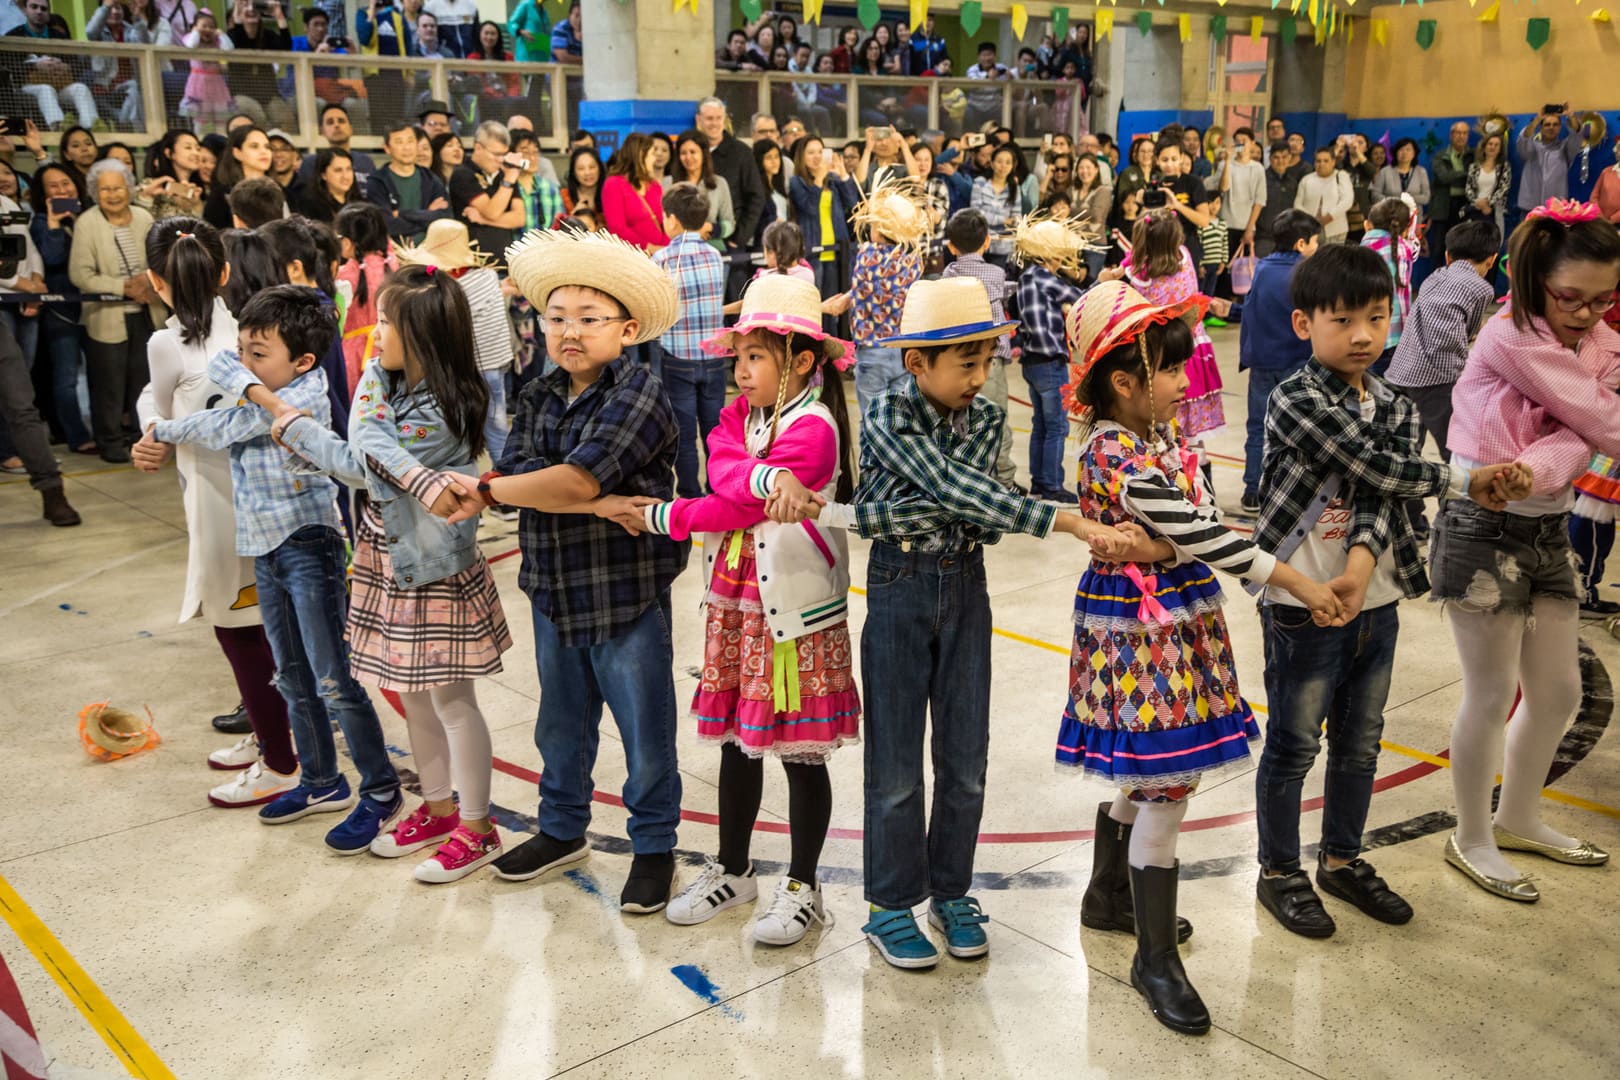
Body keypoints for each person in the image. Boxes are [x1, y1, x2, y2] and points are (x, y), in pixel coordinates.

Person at [772, 277, 1132, 971]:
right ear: (917, 364)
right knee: (898, 766)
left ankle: (950, 892)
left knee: (966, 761)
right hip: (900, 589)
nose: (980, 376)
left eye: (988, 361)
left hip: (968, 585)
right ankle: (888, 906)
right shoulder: (885, 413)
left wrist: (940, 506)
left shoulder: (991, 418)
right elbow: (958, 492)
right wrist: (1058, 518)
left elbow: (982, 507)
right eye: (965, 363)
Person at [1061, 279, 1342, 1035]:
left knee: (1149, 776)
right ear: (1125, 382)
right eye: (1174, 371)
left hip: (1173, 626)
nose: (1189, 383)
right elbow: (1215, 540)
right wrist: (1302, 585)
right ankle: (1154, 960)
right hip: (1143, 641)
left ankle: (1109, 898)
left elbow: (1197, 524)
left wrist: (1157, 543)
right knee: (1164, 785)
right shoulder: (1113, 451)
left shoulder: (1157, 439)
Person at [1251, 243, 1529, 940]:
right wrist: (1465, 478)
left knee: (1361, 745)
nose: (1364, 335)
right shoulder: (1295, 398)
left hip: (1371, 602)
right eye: (1342, 320)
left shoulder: (1396, 404)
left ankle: (1341, 860)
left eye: (1377, 317)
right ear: (1303, 325)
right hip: (1301, 606)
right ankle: (1280, 872)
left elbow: (1381, 491)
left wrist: (1358, 567)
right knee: (1292, 746)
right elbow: (1369, 462)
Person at [250, 266, 510, 882]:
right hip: (384, 557)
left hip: (434, 567)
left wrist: (299, 430)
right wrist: (312, 433)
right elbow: (365, 445)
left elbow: (365, 464)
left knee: (453, 702)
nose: (375, 332)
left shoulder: (452, 403)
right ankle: (439, 808)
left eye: (389, 322)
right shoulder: (380, 378)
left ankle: (478, 827)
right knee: (413, 698)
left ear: (423, 334)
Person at [631, 273, 859, 944]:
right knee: (739, 742)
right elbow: (722, 470)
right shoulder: (742, 417)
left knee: (799, 752)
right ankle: (734, 869)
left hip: (791, 613)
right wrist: (764, 478)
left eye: (754, 356)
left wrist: (659, 516)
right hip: (738, 604)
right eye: (739, 356)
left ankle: (804, 885)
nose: (740, 371)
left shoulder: (814, 430)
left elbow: (732, 503)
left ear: (801, 362)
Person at [466, 230, 688, 913]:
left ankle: (654, 847)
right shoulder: (536, 396)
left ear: (625, 329)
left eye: (588, 320)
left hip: (625, 592)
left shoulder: (641, 393)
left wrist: (496, 492)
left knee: (645, 735)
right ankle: (562, 830)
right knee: (559, 727)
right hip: (555, 587)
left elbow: (563, 482)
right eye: (556, 317)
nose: (568, 332)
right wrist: (587, 499)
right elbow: (535, 476)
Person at [143, 285, 406, 850]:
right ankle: (320, 782)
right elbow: (219, 385)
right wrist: (237, 384)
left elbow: (224, 426)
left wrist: (173, 423)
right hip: (263, 548)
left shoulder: (304, 396)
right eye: (243, 350)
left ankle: (381, 790)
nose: (243, 362)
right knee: (290, 674)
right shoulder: (260, 390)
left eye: (259, 353)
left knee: (334, 678)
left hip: (307, 545)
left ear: (304, 361)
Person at [1434, 201, 1620, 902]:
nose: (1588, 313)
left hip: (1544, 527)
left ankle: (1516, 818)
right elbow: (1603, 421)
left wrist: (1534, 472)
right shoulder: (1510, 336)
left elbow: (1580, 434)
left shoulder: (1601, 344)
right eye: (1572, 298)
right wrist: (1555, 459)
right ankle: (1471, 835)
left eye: (1606, 299)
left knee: (1559, 692)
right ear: (1536, 276)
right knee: (1489, 694)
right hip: (1481, 530)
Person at [130, 219, 294, 803]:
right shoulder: (253, 332)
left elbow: (167, 407)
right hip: (271, 495)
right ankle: (270, 729)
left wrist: (152, 431)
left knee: (240, 632)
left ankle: (280, 761)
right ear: (225, 272)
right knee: (268, 626)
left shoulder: (164, 343)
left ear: (154, 281)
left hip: (218, 500)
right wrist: (154, 424)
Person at [1107, 210, 1232, 450]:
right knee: (1192, 433)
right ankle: (1199, 477)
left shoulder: (1138, 274)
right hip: (1191, 346)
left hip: (1159, 355)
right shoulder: (1184, 257)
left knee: (1163, 422)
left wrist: (1115, 272)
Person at [393, 219, 513, 464]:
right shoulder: (488, 276)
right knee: (496, 422)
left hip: (469, 368)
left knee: (468, 425)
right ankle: (506, 477)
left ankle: (488, 475)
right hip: (496, 362)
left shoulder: (450, 289)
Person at [68, 159, 163, 464]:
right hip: (107, 316)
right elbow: (80, 275)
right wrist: (124, 287)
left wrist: (149, 283)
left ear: (129, 188)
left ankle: (142, 439)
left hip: (148, 313)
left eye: (117, 187)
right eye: (105, 189)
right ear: (95, 191)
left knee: (143, 382)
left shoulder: (143, 216)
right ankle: (109, 441)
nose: (112, 194)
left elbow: (158, 259)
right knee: (108, 384)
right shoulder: (87, 222)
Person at [1384, 219, 1501, 464]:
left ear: (1447, 256)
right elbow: (1470, 331)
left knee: (1404, 446)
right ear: (1492, 260)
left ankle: (1407, 501)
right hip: (1439, 378)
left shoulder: (1434, 277)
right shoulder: (1482, 289)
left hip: (1401, 370)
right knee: (1454, 448)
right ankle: (1457, 498)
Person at [1234, 209, 1322, 512]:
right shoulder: (1307, 273)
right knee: (1295, 429)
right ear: (1300, 243)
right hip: (1294, 362)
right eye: (1314, 241)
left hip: (1261, 362)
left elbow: (1250, 311)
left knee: (1257, 427)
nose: (1317, 247)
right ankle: (1290, 490)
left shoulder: (1263, 268)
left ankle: (1251, 490)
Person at [650, 183, 726, 498]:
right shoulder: (715, 255)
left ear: (672, 219)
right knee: (713, 431)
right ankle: (717, 488)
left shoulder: (662, 259)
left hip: (677, 357)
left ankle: (691, 492)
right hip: (715, 357)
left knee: (682, 432)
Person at [941, 209, 1018, 490]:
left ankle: (967, 475)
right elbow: (1005, 291)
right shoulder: (996, 273)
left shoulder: (949, 274)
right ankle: (1003, 479)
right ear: (987, 242)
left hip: (958, 360)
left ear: (951, 246)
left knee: (961, 418)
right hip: (991, 360)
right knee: (996, 416)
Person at [1013, 217, 1087, 502]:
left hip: (1031, 361)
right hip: (1049, 361)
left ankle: (1039, 481)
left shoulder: (1026, 278)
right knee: (1056, 424)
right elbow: (1081, 297)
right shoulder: (1047, 280)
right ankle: (1053, 484)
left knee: (1041, 423)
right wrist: (1100, 282)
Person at [843, 182, 927, 419]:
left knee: (872, 424)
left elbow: (864, 286)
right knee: (899, 422)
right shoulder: (913, 261)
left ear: (879, 229)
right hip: (902, 351)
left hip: (872, 351)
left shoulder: (866, 254)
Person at [27, 162, 94, 457]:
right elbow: (51, 258)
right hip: (59, 311)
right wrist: (55, 223)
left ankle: (108, 428)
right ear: (42, 194)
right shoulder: (40, 222)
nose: (61, 190)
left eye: (65, 183)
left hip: (92, 307)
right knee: (66, 377)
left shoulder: (89, 217)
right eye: (53, 186)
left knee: (98, 374)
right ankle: (75, 434)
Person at [7, 0, 100, 130]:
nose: (39, 11)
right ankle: (59, 128)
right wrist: (35, 66)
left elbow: (77, 64)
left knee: (80, 88)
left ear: (49, 13)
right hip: (26, 91)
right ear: (25, 10)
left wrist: (66, 67)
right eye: (34, 7)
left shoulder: (59, 37)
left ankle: (92, 128)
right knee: (45, 89)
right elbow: (8, 68)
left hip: (59, 87)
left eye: (43, 9)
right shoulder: (13, 35)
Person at [333, 201, 395, 394]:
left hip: (353, 355)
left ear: (346, 241)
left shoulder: (344, 276)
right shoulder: (392, 263)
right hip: (389, 345)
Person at [447, 120, 522, 260]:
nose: (501, 160)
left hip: (505, 258)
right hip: (473, 261)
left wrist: (483, 220)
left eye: (504, 154)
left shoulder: (505, 173)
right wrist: (508, 181)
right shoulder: (462, 174)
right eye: (496, 154)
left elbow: (519, 218)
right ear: (478, 148)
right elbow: (492, 211)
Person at [366, 120, 451, 242]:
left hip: (430, 251)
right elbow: (387, 225)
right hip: (394, 253)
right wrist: (428, 214)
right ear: (387, 148)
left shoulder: (430, 178)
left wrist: (403, 214)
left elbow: (445, 216)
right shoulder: (377, 182)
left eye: (410, 141)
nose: (406, 148)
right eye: (399, 142)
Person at [1359, 198, 1414, 375]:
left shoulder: (1363, 251)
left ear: (1367, 225)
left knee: (1373, 390)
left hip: (1372, 336)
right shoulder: (1404, 248)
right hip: (1400, 335)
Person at [224, 0, 293, 131]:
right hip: (241, 95)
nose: (251, 9)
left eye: (255, 6)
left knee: (285, 118)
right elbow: (236, 40)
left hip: (268, 95)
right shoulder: (231, 37)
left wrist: (279, 15)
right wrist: (238, 10)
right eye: (246, 6)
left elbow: (286, 47)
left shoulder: (268, 35)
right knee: (257, 116)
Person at [1150, 138, 1213, 268]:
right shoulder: (1154, 185)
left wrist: (1178, 206)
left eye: (1174, 159)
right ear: (1157, 160)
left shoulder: (1193, 183)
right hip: (1159, 249)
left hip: (1187, 247)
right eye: (1164, 160)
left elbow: (1204, 221)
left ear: (1181, 158)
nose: (1169, 164)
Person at [600, 131, 668, 253]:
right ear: (640, 156)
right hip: (633, 257)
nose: (655, 158)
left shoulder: (654, 185)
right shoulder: (613, 184)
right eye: (652, 154)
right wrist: (648, 248)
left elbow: (664, 223)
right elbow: (617, 229)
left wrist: (664, 249)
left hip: (661, 255)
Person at [669, 129, 734, 251]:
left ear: (703, 154)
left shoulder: (719, 183)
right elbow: (665, 222)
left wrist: (708, 227)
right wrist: (693, 232)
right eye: (683, 153)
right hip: (678, 251)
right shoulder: (668, 183)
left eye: (693, 152)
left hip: (713, 249)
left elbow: (730, 224)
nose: (688, 157)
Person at [1516, 105, 1586, 217]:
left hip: (1556, 210)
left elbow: (1577, 135)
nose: (1551, 127)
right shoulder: (1531, 148)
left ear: (1560, 127)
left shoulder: (1566, 149)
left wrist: (1570, 117)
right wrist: (1537, 119)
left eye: (1555, 124)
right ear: (1541, 128)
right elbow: (1523, 139)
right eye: (1547, 124)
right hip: (1529, 209)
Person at [202, 125, 273, 229]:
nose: (263, 151)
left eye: (267, 147)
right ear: (237, 153)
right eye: (254, 146)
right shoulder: (221, 195)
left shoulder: (283, 192)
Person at [295, 105, 378, 193]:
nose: (336, 125)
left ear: (351, 128)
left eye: (341, 121)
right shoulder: (311, 163)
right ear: (322, 131)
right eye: (330, 122)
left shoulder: (366, 162)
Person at [969, 144, 1023, 270]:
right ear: (992, 163)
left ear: (1013, 166)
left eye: (1008, 162)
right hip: (980, 242)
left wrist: (1015, 221)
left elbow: (1017, 215)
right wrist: (1003, 220)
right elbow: (976, 213)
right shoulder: (980, 183)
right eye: (999, 161)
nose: (1003, 166)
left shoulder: (1015, 188)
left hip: (1003, 246)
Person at [1430, 121, 1474, 261]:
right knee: (1439, 249)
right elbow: (1444, 177)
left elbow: (1477, 177)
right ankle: (1437, 281)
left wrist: (1457, 175)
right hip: (1443, 206)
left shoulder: (1474, 155)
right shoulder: (1440, 156)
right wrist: (1467, 173)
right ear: (1451, 135)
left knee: (1463, 248)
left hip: (1465, 205)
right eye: (1458, 133)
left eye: (1464, 133)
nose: (1461, 136)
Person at [1293, 146, 1354, 246]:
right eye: (1318, 161)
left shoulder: (1342, 176)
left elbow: (1347, 201)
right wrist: (1311, 220)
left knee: (1334, 261)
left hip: (1336, 230)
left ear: (1333, 162)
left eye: (1326, 161)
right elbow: (1297, 204)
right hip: (1310, 231)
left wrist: (1329, 217)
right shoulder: (1306, 179)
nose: (1321, 164)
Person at [143, 130, 207, 221]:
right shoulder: (153, 185)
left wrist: (196, 206)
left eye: (198, 149)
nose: (196, 153)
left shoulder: (198, 190)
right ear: (169, 153)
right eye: (188, 147)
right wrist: (146, 197)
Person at [510, 128, 562, 237]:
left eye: (535, 152)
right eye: (525, 153)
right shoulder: (505, 188)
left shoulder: (550, 188)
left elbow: (559, 228)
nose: (532, 158)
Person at [1255, 144, 1300, 256]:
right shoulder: (1261, 178)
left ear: (1289, 158)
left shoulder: (1293, 182)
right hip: (1263, 238)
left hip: (1287, 238)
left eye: (1284, 157)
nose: (1280, 161)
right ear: (1270, 158)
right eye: (1276, 157)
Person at [297, 148, 361, 223]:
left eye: (349, 169)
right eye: (338, 170)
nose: (345, 176)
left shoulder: (361, 204)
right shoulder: (309, 205)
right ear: (323, 175)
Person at [1371, 138, 1430, 211]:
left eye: (1408, 149)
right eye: (1401, 149)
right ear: (1395, 152)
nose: (1404, 152)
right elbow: (1375, 195)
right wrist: (1395, 200)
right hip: (1389, 215)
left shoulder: (1421, 172)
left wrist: (1408, 199)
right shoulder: (1385, 171)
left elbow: (1426, 197)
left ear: (1414, 154)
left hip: (1414, 217)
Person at [964, 42, 1008, 132]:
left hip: (995, 107)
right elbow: (974, 85)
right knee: (967, 113)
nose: (987, 58)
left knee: (1006, 110)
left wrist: (1009, 75)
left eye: (990, 55)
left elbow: (1011, 82)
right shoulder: (972, 70)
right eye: (984, 55)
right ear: (978, 57)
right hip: (975, 107)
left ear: (994, 56)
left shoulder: (1001, 68)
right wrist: (987, 77)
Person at [561, 144, 602, 216]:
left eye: (592, 167)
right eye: (581, 169)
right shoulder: (563, 196)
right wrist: (574, 216)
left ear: (599, 168)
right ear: (573, 172)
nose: (587, 173)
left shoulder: (611, 195)